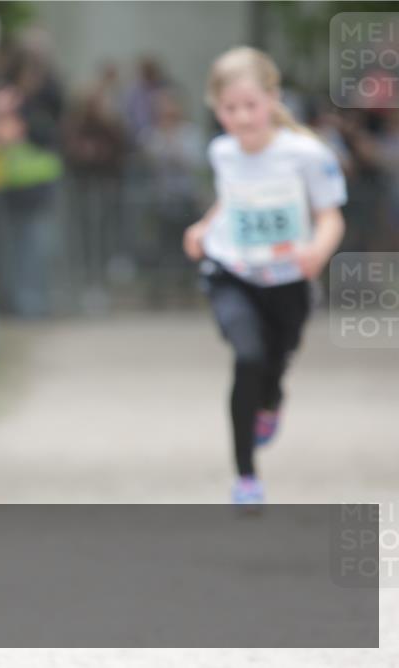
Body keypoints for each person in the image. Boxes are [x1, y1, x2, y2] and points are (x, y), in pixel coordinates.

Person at [183, 47, 346, 507]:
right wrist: (203, 227)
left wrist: (317, 250)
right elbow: (232, 201)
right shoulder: (222, 151)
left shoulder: (307, 154)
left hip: (289, 280)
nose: (241, 117)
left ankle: (272, 401)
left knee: (275, 363)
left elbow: (331, 216)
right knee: (248, 356)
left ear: (272, 99)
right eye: (229, 108)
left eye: (250, 105)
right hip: (231, 272)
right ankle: (246, 477)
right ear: (216, 109)